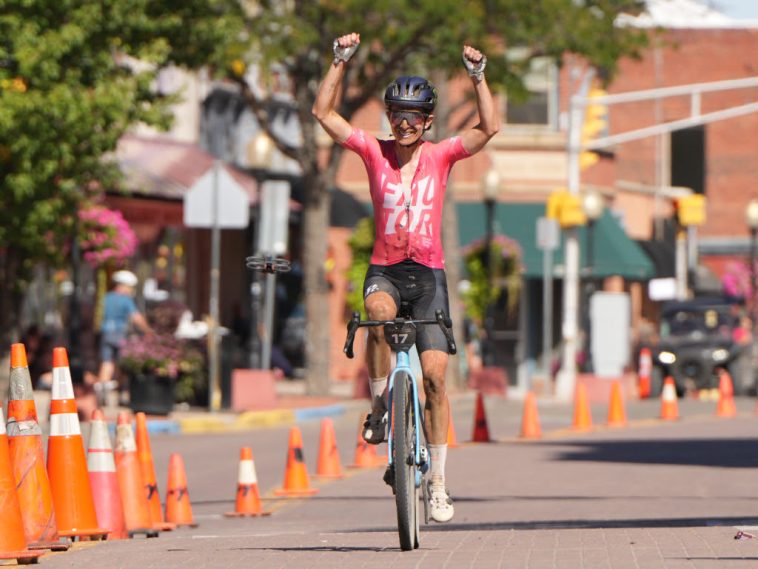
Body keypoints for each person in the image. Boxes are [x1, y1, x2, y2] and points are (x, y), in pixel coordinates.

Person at [312, 32, 499, 522]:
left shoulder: (441, 156)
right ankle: (378, 407)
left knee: (436, 381)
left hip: (430, 276)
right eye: (397, 114)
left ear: (428, 121)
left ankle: (437, 482)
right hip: (387, 270)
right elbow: (324, 116)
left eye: (413, 117)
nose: (404, 123)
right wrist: (339, 62)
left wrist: (478, 76)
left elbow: (488, 127)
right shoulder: (374, 152)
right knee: (377, 315)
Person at [97, 270, 152, 402]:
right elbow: (136, 317)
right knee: (123, 365)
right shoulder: (125, 300)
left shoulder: (106, 298)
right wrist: (148, 330)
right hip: (119, 334)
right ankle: (122, 392)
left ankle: (102, 390)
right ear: (123, 285)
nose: (130, 290)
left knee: (107, 362)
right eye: (129, 287)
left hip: (105, 333)